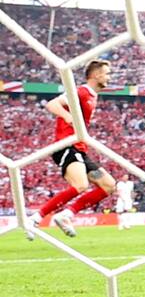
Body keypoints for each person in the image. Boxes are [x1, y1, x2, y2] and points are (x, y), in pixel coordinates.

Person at [27, 60, 118, 239]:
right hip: (66, 146)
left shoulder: (92, 95)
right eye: (107, 73)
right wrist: (69, 117)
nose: (109, 77)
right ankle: (35, 218)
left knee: (109, 185)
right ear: (96, 75)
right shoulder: (82, 92)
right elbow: (52, 104)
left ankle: (66, 215)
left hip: (79, 148)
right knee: (81, 185)